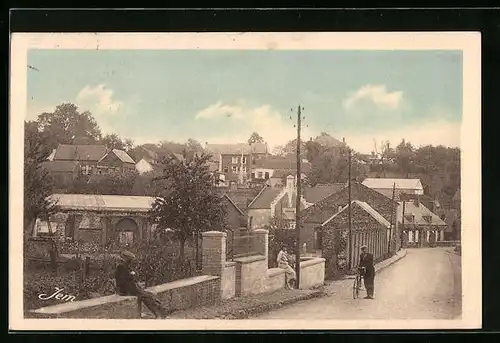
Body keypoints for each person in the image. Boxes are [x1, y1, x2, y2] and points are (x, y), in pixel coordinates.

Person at [115, 250, 168, 318]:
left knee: (149, 295)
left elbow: (127, 278)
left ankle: (160, 311)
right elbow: (123, 280)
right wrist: (131, 275)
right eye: (130, 260)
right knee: (146, 296)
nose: (131, 262)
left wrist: (132, 276)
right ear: (126, 259)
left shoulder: (124, 265)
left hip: (129, 288)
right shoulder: (121, 266)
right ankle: (159, 312)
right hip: (125, 290)